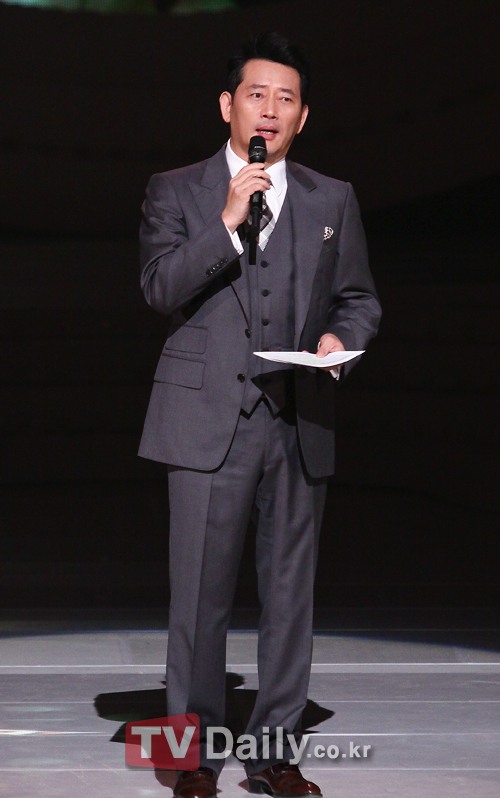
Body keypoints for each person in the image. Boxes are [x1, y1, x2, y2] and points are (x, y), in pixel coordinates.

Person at [138, 31, 382, 798]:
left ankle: (274, 755)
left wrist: (342, 340)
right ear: (227, 105)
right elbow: (158, 287)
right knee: (198, 601)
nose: (270, 110)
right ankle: (189, 759)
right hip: (206, 419)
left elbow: (358, 298)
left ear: (302, 117)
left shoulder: (331, 197)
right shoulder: (176, 190)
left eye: (286, 99)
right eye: (256, 94)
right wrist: (226, 220)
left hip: (299, 421)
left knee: (289, 600)